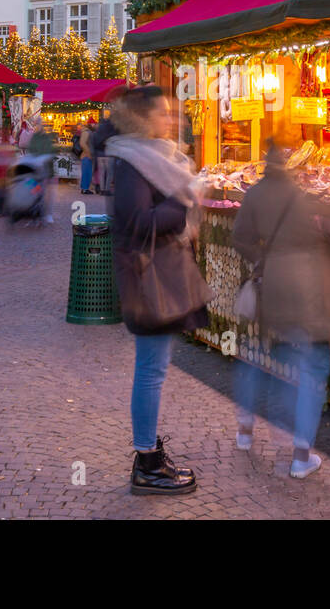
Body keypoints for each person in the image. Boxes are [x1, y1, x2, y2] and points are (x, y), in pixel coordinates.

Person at [231, 142, 330, 478]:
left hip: (273, 285)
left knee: (263, 353)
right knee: (314, 363)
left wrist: (263, 260)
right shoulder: (310, 194)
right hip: (310, 288)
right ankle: (301, 454)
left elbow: (239, 236)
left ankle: (246, 426)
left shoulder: (256, 193)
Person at [106, 85, 209, 495]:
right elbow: (137, 221)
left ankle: (148, 453)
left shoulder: (153, 157)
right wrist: (184, 203)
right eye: (163, 113)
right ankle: (147, 462)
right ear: (143, 119)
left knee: (154, 369)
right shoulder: (133, 162)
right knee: (151, 371)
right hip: (146, 279)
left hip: (152, 274)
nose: (170, 119)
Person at [90, 114, 116, 195]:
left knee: (101, 173)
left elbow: (93, 143)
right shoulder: (111, 130)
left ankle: (101, 189)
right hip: (108, 154)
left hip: (99, 155)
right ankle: (107, 190)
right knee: (109, 173)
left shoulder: (97, 131)